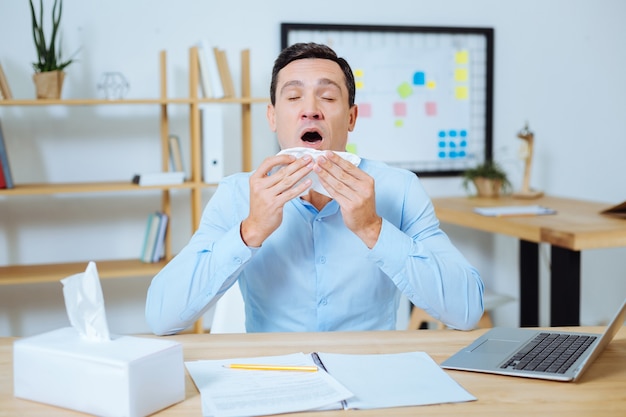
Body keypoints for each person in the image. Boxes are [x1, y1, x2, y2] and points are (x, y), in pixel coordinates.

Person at [145, 42, 484, 335]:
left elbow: (466, 312)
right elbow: (161, 317)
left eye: (327, 96)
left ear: (351, 118)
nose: (310, 110)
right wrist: (250, 230)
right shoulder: (237, 193)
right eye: (293, 96)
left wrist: (372, 228)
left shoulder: (400, 189)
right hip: (276, 377)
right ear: (273, 117)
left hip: (372, 375)